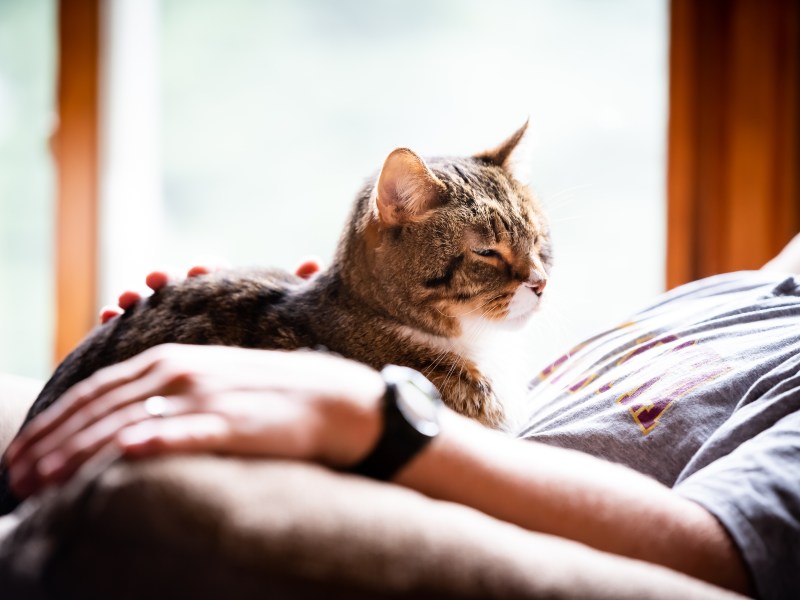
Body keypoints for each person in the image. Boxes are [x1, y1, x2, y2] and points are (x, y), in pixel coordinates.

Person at [5, 238, 800, 599]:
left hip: (407, 490)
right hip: (388, 456)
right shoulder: (734, 290)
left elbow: (726, 558)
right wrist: (288, 322)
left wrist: (367, 412)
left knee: (139, 508)